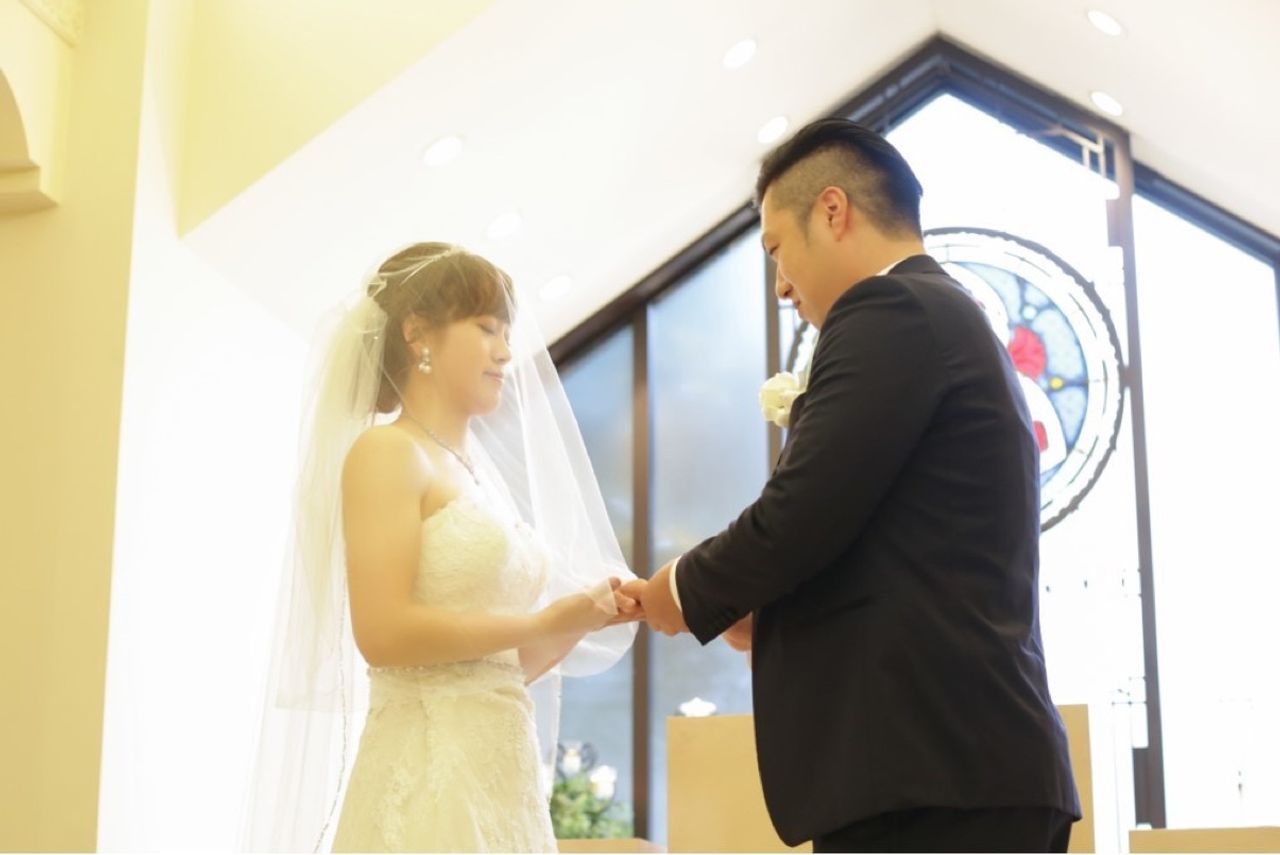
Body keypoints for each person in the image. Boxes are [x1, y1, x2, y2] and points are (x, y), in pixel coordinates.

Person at [625, 119, 1081, 853]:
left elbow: (802, 511)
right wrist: (768, 610)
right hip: (953, 766)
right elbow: (887, 543)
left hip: (934, 776)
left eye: (777, 248)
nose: (780, 285)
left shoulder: (891, 309)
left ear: (832, 211)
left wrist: (680, 591)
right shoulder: (939, 313)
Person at [240, 242, 641, 852]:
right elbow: (383, 632)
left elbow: (498, 666)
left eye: (506, 333)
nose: (505, 352)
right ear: (417, 334)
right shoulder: (387, 452)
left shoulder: (478, 477)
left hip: (501, 780)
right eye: (486, 328)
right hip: (427, 774)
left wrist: (579, 619)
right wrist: (542, 620)